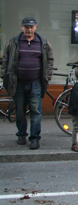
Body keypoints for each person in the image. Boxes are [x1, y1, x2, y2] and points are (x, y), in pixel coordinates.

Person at [0, 17, 54, 149]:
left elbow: (50, 60)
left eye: (31, 27)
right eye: (26, 27)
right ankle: (21, 135)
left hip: (35, 83)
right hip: (17, 83)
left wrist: (47, 76)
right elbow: (5, 60)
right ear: (22, 27)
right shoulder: (13, 42)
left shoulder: (43, 42)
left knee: (36, 111)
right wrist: (4, 75)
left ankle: (35, 138)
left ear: (35, 27)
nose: (29, 29)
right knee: (19, 111)